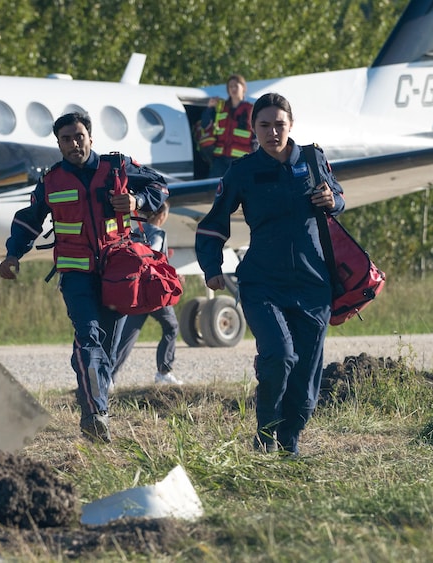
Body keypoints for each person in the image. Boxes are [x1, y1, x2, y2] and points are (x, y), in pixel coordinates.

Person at [0, 112, 168, 443]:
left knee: (107, 346)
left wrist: (137, 200)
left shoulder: (117, 167)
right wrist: (13, 254)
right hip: (76, 275)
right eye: (66, 139)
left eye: (79, 136)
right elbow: (29, 220)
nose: (74, 143)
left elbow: (159, 186)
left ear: (90, 137)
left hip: (119, 273)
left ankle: (93, 402)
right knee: (88, 337)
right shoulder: (51, 181)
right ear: (58, 143)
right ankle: (95, 414)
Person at [195, 93, 345, 455]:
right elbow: (213, 223)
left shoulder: (312, 159)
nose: (273, 131)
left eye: (279, 124)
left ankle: (289, 445)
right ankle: (265, 433)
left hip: (313, 284)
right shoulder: (243, 171)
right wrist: (212, 267)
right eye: (265, 125)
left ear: (290, 125)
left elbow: (338, 197)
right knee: (279, 355)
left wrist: (333, 200)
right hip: (262, 283)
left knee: (306, 386)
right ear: (254, 129)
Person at [110, 201, 184, 386]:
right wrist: (173, 276)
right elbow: (153, 258)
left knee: (128, 335)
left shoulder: (134, 231)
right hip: (154, 291)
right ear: (161, 215)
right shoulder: (158, 233)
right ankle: (163, 372)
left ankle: (109, 377)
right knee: (172, 327)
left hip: (136, 290)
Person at [198, 73, 256, 178]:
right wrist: (209, 108)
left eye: (236, 85)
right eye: (230, 86)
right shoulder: (221, 108)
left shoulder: (250, 109)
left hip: (241, 160)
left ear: (243, 88)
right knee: (214, 189)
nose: (233, 89)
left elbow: (256, 135)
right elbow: (205, 125)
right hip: (220, 159)